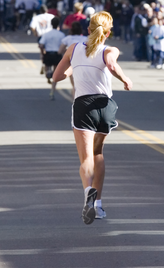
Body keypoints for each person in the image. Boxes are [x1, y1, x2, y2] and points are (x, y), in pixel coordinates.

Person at [52, 12, 133, 224]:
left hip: (84, 105)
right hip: (105, 106)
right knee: (98, 153)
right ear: (108, 32)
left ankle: (89, 191)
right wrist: (125, 79)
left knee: (85, 158)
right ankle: (98, 205)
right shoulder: (110, 49)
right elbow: (112, 64)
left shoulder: (74, 49)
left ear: (88, 29)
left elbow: (57, 76)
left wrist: (74, 69)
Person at [39, 17, 66, 100]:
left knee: (47, 67)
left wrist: (42, 52)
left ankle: (48, 75)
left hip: (48, 53)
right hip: (57, 54)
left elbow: (41, 44)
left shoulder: (47, 34)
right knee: (56, 73)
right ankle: (52, 91)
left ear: (51, 24)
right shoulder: (61, 34)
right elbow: (63, 45)